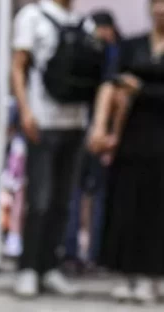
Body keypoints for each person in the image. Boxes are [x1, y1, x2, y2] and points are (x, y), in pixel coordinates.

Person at [89, 0, 164, 304]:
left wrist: (140, 89)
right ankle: (124, 271)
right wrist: (105, 129)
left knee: (159, 205)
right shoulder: (132, 45)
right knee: (127, 201)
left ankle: (151, 274)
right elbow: (112, 83)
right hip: (131, 133)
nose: (162, 9)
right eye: (157, 3)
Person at [11, 0, 94, 298]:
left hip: (76, 122)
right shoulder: (33, 16)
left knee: (63, 201)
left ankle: (49, 267)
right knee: (40, 200)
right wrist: (24, 111)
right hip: (42, 121)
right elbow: (18, 66)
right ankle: (28, 268)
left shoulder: (83, 23)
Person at [63, 9, 119, 271]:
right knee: (79, 194)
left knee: (93, 195)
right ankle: (77, 253)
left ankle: (90, 254)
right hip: (86, 129)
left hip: (96, 132)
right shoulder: (100, 52)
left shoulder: (108, 53)